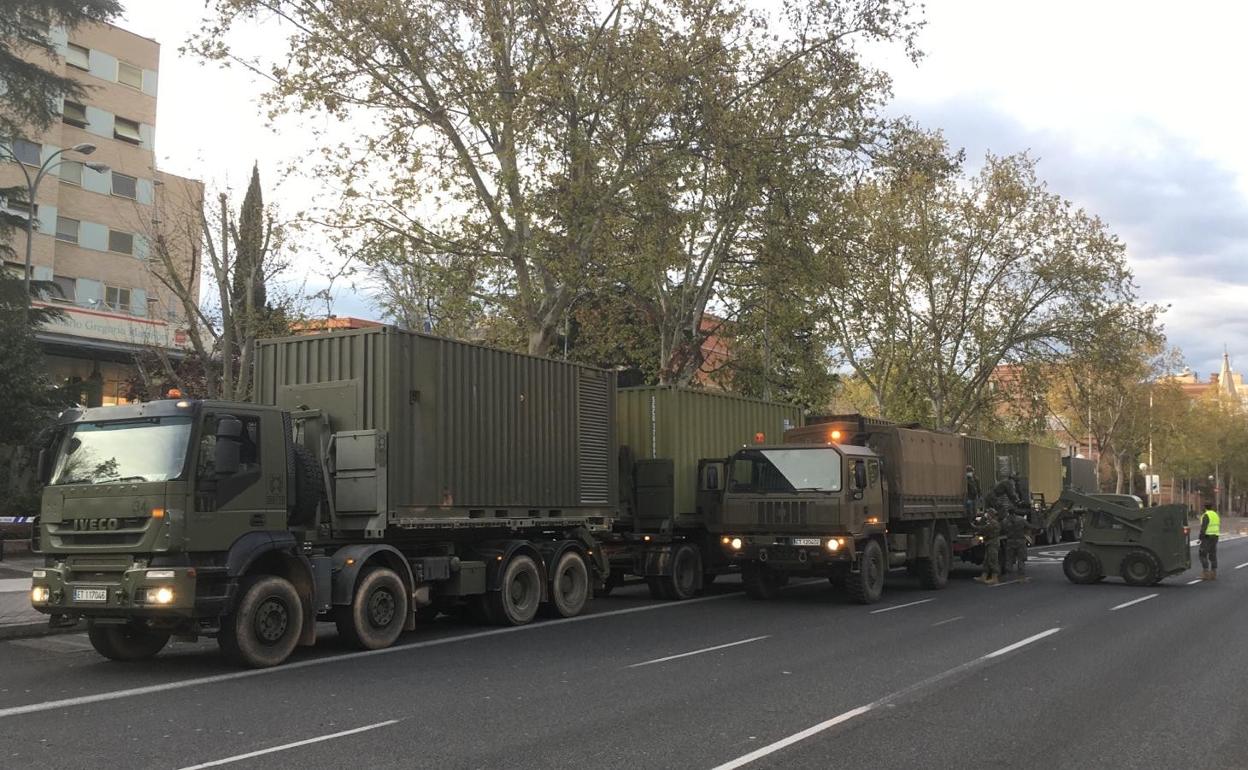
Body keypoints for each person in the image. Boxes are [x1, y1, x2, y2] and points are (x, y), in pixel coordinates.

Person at [973, 508, 1002, 585]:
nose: (987, 515)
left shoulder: (993, 523)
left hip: (993, 543)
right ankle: (983, 577)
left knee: (993, 560)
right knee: (986, 560)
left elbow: (984, 529)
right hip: (989, 543)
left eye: (988, 514)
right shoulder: (991, 522)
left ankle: (995, 578)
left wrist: (974, 527)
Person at [1003, 508, 1029, 581]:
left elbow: (1002, 529)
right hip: (1020, 541)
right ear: (1015, 512)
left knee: (1009, 558)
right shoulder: (1021, 519)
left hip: (1010, 541)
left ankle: (1008, 575)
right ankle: (1021, 577)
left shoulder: (1005, 521)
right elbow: (1028, 526)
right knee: (1021, 559)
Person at [1199, 503, 1221, 581]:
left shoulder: (1206, 515)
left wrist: (1200, 538)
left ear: (1204, 507)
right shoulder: (1216, 515)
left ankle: (1205, 574)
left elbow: (1203, 527)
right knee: (1213, 554)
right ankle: (1213, 573)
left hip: (1207, 537)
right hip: (1215, 536)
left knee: (1203, 554)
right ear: (1211, 507)